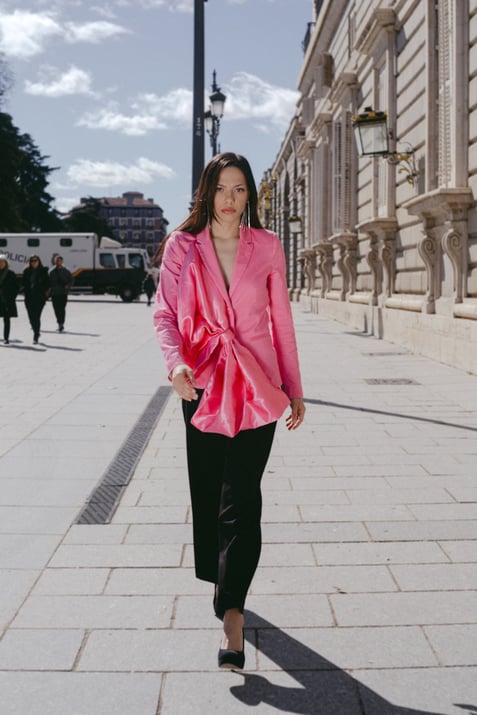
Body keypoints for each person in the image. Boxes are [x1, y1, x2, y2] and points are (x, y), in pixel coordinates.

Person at [153, 152, 305, 671]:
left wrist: (294, 387)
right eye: (221, 188)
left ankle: (233, 616)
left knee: (242, 499)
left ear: (250, 196)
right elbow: (165, 313)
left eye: (239, 189)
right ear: (206, 192)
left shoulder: (267, 245)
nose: (230, 199)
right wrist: (175, 365)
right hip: (201, 385)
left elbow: (281, 321)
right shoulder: (183, 246)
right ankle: (223, 582)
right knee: (209, 493)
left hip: (258, 388)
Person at [22, 255, 50, 344]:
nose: (33, 262)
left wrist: (45, 292)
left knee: (36, 316)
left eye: (35, 260)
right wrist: (24, 290)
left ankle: (36, 335)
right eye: (32, 261)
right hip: (29, 297)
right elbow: (23, 283)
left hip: (39, 297)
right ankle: (36, 331)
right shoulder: (26, 271)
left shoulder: (43, 271)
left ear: (39, 261)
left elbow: (48, 283)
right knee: (31, 317)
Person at [48, 255, 72, 332]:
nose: (58, 262)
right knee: (56, 309)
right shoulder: (51, 272)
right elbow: (48, 282)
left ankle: (61, 323)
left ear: (62, 261)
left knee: (62, 309)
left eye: (60, 260)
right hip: (54, 293)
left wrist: (68, 286)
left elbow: (71, 280)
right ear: (55, 262)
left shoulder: (66, 271)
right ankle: (59, 323)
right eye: (57, 260)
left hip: (63, 293)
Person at [0, 254, 19, 345]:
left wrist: (12, 298)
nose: (0, 263)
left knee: (6, 319)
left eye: (2, 262)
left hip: (6, 300)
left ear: (6, 263)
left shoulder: (11, 274)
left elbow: (16, 287)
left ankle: (6, 338)